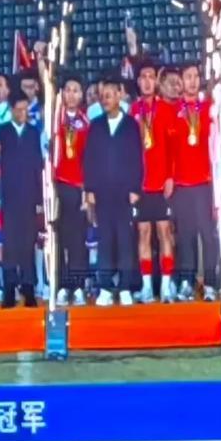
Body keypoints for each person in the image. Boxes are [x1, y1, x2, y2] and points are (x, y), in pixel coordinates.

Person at [83, 75, 143, 305]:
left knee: (125, 240)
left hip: (125, 193)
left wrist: (135, 188)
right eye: (102, 96)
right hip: (102, 192)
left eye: (109, 95)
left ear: (120, 95)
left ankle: (126, 286)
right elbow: (90, 159)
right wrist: (90, 189)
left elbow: (136, 158)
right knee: (105, 240)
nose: (105, 99)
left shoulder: (131, 125)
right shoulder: (96, 126)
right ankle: (106, 287)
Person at [166, 63, 219, 301]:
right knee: (185, 235)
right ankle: (187, 281)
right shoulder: (173, 111)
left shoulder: (209, 109)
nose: (192, 81)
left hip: (205, 182)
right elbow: (168, 150)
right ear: (181, 81)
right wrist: (169, 177)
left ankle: (210, 283)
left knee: (208, 235)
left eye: (196, 76)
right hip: (181, 184)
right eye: (188, 77)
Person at [130, 60, 176, 302]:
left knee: (165, 232)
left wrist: (170, 176)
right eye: (143, 77)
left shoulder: (166, 110)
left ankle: (166, 286)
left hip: (161, 183)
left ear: (156, 81)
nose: (147, 81)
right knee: (143, 233)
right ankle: (147, 286)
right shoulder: (132, 111)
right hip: (141, 185)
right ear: (138, 82)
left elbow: (173, 148)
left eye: (151, 76)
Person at [0, 91, 41, 306]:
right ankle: (9, 289)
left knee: (28, 243)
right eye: (18, 110)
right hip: (9, 196)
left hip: (29, 196)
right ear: (11, 110)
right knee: (10, 244)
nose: (22, 113)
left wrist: (39, 199)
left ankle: (29, 288)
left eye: (25, 109)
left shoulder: (33, 132)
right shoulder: (2, 131)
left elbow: (37, 166)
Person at [50, 74, 91, 305]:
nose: (72, 95)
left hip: (77, 188)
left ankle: (78, 286)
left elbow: (89, 159)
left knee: (77, 239)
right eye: (68, 90)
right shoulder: (55, 119)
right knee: (59, 239)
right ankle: (62, 285)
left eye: (76, 90)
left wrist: (86, 190)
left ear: (82, 94)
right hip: (56, 187)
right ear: (62, 94)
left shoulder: (86, 123)